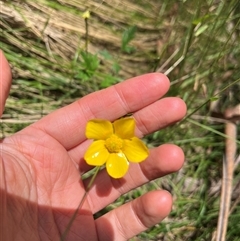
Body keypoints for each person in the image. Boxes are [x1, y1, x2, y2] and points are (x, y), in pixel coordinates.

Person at [0, 50, 187, 241]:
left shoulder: (126, 131)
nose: (115, 143)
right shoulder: (101, 139)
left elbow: (133, 146)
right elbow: (91, 156)